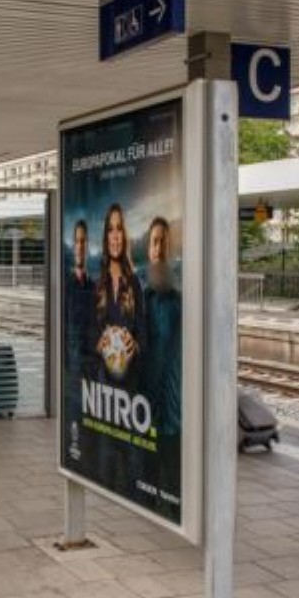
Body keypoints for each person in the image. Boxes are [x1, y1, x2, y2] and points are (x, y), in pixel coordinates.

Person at [141, 217, 182, 500]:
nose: (159, 248)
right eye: (154, 242)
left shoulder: (181, 299)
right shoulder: (140, 298)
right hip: (146, 406)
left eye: (164, 242)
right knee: (148, 476)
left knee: (174, 483)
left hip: (174, 408)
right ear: (148, 249)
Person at [94, 204, 145, 391]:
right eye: (111, 230)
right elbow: (89, 335)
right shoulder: (98, 285)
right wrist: (98, 345)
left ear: (124, 236)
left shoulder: (134, 283)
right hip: (104, 384)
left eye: (119, 229)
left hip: (129, 386)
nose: (115, 236)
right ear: (106, 238)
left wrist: (134, 345)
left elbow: (144, 336)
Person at [64, 219, 95, 415]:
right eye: (77, 241)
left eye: (83, 241)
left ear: (88, 246)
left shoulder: (94, 287)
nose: (80, 246)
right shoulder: (66, 286)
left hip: (90, 369)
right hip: (72, 369)